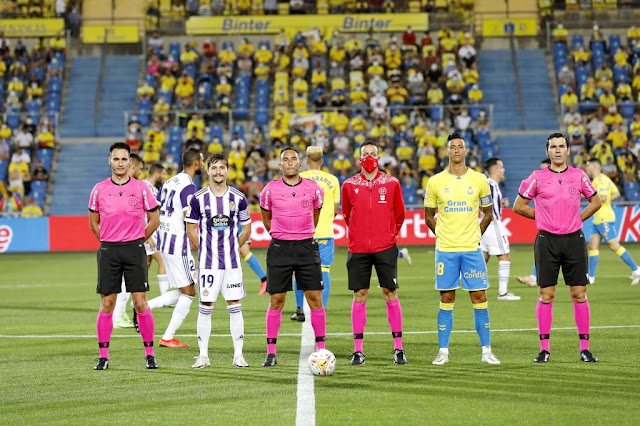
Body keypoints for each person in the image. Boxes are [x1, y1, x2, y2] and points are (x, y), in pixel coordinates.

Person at [513, 133, 602, 363]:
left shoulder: (579, 176)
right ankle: (544, 349)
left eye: (562, 146)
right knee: (546, 295)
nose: (558, 150)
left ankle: (585, 348)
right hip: (547, 241)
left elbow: (596, 201)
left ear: (568, 150)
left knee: (579, 294)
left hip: (574, 240)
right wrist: (541, 216)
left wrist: (578, 218)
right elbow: (518, 205)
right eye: (553, 147)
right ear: (547, 151)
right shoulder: (537, 177)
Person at [424, 133, 501, 366]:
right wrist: (442, 234)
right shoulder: (435, 181)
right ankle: (443, 351)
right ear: (447, 152)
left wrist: (477, 232)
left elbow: (488, 212)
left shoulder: (479, 180)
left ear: (466, 151)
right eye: (452, 147)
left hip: (471, 249)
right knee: (447, 297)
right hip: (446, 250)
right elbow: (428, 216)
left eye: (460, 147)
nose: (456, 150)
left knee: (479, 296)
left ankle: (487, 351)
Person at [88, 142, 160, 370]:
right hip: (109, 251)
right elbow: (93, 222)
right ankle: (103, 355)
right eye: (115, 159)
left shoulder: (141, 188)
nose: (120, 163)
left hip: (134, 250)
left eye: (123, 159)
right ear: (110, 161)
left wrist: (138, 239)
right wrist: (108, 241)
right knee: (107, 303)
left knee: (140, 303)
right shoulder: (99, 189)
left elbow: (155, 219)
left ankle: (149, 354)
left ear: (130, 162)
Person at [259, 147, 327, 367]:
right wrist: (282, 235)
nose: (289, 163)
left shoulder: (313, 188)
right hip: (280, 248)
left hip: (306, 247)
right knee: (277, 300)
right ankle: (271, 351)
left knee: (315, 298)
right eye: (285, 160)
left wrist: (302, 233)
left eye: (293, 159)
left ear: (301, 164)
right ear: (280, 166)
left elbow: (315, 216)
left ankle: (321, 348)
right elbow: (266, 218)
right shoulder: (270, 190)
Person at [341, 141, 407, 366]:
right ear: (359, 159)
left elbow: (400, 214)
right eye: (365, 154)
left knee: (390, 293)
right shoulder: (349, 185)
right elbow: (347, 214)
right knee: (359, 295)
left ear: (379, 158)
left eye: (373, 154)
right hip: (358, 249)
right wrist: (358, 236)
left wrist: (390, 235)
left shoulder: (392, 184)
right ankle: (358, 350)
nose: (369, 157)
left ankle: (398, 348)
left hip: (385, 248)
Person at [186, 154, 251, 369]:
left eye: (222, 168)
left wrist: (234, 245)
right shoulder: (198, 198)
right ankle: (203, 356)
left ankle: (238, 355)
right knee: (205, 306)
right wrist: (204, 247)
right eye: (214, 168)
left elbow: (247, 228)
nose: (218, 172)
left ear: (228, 170)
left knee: (235, 306)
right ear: (208, 170)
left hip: (232, 264)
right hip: (208, 263)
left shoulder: (239, 198)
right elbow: (190, 229)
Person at [147, 148, 203, 348]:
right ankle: (167, 337)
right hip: (179, 244)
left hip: (165, 241)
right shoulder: (189, 186)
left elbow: (158, 209)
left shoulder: (170, 181)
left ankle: (146, 307)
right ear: (196, 162)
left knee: (184, 290)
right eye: (202, 160)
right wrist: (201, 246)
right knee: (189, 292)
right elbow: (190, 219)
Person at [290, 146, 340, 322]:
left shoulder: (299, 178)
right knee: (324, 270)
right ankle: (322, 310)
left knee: (298, 271)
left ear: (306, 161)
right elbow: (335, 210)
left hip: (302, 233)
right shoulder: (332, 180)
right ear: (322, 160)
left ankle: (300, 310)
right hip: (325, 232)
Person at [585, 158, 640, 285]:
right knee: (593, 245)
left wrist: (588, 196)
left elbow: (603, 197)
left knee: (614, 245)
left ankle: (636, 269)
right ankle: (591, 277)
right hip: (598, 218)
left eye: (588, 166)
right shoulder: (604, 179)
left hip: (604, 217)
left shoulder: (599, 180)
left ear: (594, 167)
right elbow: (615, 193)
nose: (586, 168)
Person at [112, 153, 147, 329]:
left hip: (133, 240)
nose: (141, 171)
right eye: (140, 168)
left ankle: (120, 313)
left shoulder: (136, 187)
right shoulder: (121, 188)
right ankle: (117, 316)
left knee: (127, 281)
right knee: (123, 281)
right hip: (121, 242)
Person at [480, 158, 520, 301]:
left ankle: (475, 287)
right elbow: (483, 205)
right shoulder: (491, 185)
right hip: (493, 223)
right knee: (505, 256)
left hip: (484, 224)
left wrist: (500, 203)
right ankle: (503, 293)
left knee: (482, 258)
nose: (503, 170)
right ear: (495, 169)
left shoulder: (490, 184)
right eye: (501, 167)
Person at [517, 158, 551, 287]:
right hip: (546, 223)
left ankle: (535, 277)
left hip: (558, 225)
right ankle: (534, 276)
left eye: (544, 168)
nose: (542, 170)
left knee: (546, 251)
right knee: (542, 250)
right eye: (541, 168)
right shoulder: (539, 182)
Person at [142, 163, 168, 296]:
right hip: (147, 233)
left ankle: (134, 297)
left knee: (144, 265)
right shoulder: (145, 187)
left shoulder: (154, 189)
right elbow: (140, 212)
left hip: (150, 233)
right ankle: (165, 297)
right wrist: (149, 236)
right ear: (157, 174)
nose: (164, 177)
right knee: (163, 261)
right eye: (163, 174)